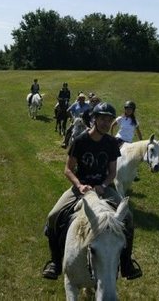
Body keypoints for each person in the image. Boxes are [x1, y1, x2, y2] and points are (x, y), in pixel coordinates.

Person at [42, 102, 142, 281]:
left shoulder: (111, 142)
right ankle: (55, 262)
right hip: (80, 188)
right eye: (102, 118)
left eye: (109, 119)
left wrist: (103, 185)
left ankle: (126, 264)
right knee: (53, 215)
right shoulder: (80, 140)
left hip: (103, 188)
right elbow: (68, 169)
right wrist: (80, 185)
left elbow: (112, 172)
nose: (106, 123)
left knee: (128, 218)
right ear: (94, 119)